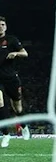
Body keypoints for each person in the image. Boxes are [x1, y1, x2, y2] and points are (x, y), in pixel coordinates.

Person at [0, 16, 30, 148]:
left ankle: (24, 126)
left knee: (17, 108)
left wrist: (15, 54)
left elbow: (25, 53)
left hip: (11, 78)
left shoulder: (12, 40)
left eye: (2, 24)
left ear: (5, 27)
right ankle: (6, 134)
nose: (0, 27)